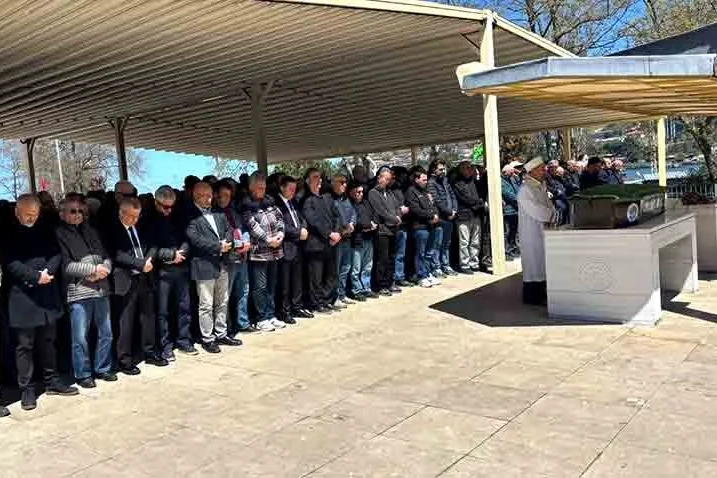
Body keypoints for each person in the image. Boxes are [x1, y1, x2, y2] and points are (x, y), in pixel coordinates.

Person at [5, 194, 78, 410]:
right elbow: (10, 263)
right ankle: (27, 388)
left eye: (35, 214)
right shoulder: (7, 233)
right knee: (25, 345)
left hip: (47, 294)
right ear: (17, 212)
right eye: (27, 214)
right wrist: (35, 277)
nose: (31, 218)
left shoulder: (45, 230)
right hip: (22, 296)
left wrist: (48, 272)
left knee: (48, 340)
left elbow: (56, 254)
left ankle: (51, 380)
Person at [56, 197, 116, 389]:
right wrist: (92, 270)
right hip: (79, 292)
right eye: (73, 211)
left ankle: (103, 368)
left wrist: (105, 268)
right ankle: (83, 374)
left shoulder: (91, 231)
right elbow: (66, 266)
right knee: (80, 337)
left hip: (101, 289)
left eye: (81, 211)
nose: (78, 215)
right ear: (62, 214)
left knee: (106, 332)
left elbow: (106, 256)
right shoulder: (59, 234)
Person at [106, 197, 168, 374]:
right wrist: (140, 264)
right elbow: (117, 255)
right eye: (131, 216)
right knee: (126, 322)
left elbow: (153, 245)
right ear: (121, 213)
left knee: (148, 317)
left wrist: (148, 260)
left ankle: (150, 352)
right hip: (126, 280)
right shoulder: (112, 230)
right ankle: (124, 359)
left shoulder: (141, 226)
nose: (134, 220)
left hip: (145, 278)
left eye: (137, 216)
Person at [141, 185, 197, 359]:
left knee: (184, 307)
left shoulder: (177, 216)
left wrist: (182, 252)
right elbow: (149, 248)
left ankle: (184, 340)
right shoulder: (148, 221)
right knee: (163, 312)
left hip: (181, 268)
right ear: (156, 203)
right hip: (162, 272)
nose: (168, 210)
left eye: (171, 206)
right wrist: (171, 255)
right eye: (165, 207)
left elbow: (186, 238)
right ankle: (165, 345)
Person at [186, 182, 241, 352]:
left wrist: (227, 241)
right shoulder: (189, 215)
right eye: (206, 196)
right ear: (196, 196)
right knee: (206, 304)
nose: (210, 199)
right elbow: (194, 239)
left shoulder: (217, 212)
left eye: (211, 195)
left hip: (221, 262)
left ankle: (221, 333)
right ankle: (207, 338)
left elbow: (229, 229)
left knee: (222, 300)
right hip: (203, 265)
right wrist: (218, 246)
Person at [242, 172, 286, 331]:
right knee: (259, 287)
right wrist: (268, 239)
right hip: (259, 253)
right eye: (259, 187)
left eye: (264, 187)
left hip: (275, 252)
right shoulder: (246, 204)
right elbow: (252, 225)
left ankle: (270, 314)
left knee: (271, 286)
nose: (262, 190)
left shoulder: (269, 201)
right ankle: (260, 318)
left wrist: (281, 233)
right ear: (251, 187)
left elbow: (280, 217)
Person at [273, 176, 314, 323]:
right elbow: (281, 225)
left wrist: (304, 228)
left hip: (298, 247)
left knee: (297, 280)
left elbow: (302, 218)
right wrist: (298, 233)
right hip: (285, 248)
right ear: (282, 187)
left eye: (294, 189)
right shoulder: (276, 204)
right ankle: (284, 311)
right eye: (290, 188)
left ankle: (297, 306)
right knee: (285, 283)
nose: (293, 191)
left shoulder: (294, 202)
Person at [214, 181, 253, 334]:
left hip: (242, 257)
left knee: (244, 290)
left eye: (227, 195)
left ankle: (243, 322)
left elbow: (242, 228)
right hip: (227, 259)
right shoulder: (214, 214)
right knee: (225, 295)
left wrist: (246, 241)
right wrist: (237, 245)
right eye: (221, 195)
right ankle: (227, 327)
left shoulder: (234, 212)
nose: (224, 198)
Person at [301, 168, 342, 313]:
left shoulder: (327, 197)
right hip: (315, 245)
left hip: (331, 243)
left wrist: (336, 233)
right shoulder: (306, 200)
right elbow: (314, 222)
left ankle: (327, 300)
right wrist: (329, 234)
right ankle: (316, 303)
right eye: (315, 177)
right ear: (307, 181)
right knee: (316, 278)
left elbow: (336, 216)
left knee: (331, 275)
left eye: (320, 177)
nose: (319, 179)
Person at [517, 157, 556, 305]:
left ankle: (541, 293)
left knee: (541, 263)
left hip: (543, 230)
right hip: (531, 232)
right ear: (532, 171)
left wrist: (552, 212)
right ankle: (532, 297)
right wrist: (550, 214)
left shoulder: (540, 186)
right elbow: (535, 209)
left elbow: (548, 204)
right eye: (540, 168)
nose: (544, 171)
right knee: (533, 265)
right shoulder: (525, 189)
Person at [368, 167, 402, 296]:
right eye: (385, 179)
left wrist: (398, 216)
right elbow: (381, 211)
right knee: (382, 258)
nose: (387, 182)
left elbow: (397, 206)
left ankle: (390, 282)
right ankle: (381, 285)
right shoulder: (373, 193)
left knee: (391, 257)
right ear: (379, 178)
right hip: (382, 231)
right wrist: (395, 219)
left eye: (389, 180)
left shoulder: (390, 192)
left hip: (393, 229)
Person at [405, 169, 441, 288]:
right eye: (423, 180)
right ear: (416, 179)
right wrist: (431, 216)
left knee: (429, 252)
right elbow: (415, 210)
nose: (426, 182)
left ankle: (428, 272)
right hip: (420, 227)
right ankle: (421, 276)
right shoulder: (411, 192)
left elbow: (433, 205)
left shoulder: (425, 192)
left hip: (431, 226)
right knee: (420, 253)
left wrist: (435, 215)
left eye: (426, 180)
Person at [347, 181, 378, 301]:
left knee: (368, 266)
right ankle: (357, 290)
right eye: (358, 192)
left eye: (361, 192)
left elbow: (374, 214)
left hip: (369, 238)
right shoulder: (349, 204)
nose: (360, 194)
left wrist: (373, 224)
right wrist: (368, 226)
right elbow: (355, 221)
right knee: (356, 268)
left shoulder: (366, 203)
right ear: (351, 192)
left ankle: (366, 288)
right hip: (357, 239)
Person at [426, 160, 458, 277]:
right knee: (437, 244)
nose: (443, 171)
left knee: (446, 244)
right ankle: (436, 267)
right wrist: (449, 212)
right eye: (440, 169)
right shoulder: (431, 183)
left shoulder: (445, 181)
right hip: (440, 219)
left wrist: (454, 210)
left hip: (450, 218)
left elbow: (452, 196)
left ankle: (446, 265)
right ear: (433, 170)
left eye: (444, 169)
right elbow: (437, 201)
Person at [453, 161, 485, 274]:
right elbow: (466, 198)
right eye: (467, 168)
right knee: (464, 242)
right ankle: (464, 264)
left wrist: (479, 202)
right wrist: (479, 202)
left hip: (475, 214)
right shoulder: (458, 183)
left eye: (470, 168)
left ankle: (474, 262)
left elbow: (480, 195)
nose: (470, 170)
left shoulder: (474, 182)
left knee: (475, 241)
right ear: (461, 170)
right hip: (464, 216)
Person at [331, 173, 357, 307]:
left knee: (346, 267)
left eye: (345, 182)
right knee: (336, 269)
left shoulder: (345, 198)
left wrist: (352, 223)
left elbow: (353, 213)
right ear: (334, 183)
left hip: (347, 238)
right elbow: (334, 218)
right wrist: (344, 228)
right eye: (341, 182)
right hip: (337, 240)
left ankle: (342, 294)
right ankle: (334, 297)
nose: (344, 185)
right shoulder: (330, 199)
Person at [390, 167, 412, 288]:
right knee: (394, 253)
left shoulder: (400, 188)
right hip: (394, 225)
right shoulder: (388, 190)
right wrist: (399, 210)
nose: (404, 178)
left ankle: (399, 276)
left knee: (401, 253)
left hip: (403, 224)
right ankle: (393, 278)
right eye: (402, 176)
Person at [501, 163, 521, 258]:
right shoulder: (501, 181)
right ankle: (507, 251)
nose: (513, 175)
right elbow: (508, 194)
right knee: (507, 232)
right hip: (508, 211)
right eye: (511, 173)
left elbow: (517, 190)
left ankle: (512, 248)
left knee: (513, 231)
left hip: (515, 210)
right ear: (505, 172)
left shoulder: (512, 179)